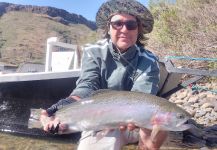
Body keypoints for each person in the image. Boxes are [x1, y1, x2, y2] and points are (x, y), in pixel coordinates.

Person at [40, 0, 168, 149]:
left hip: (137, 122)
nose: (124, 29)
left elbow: (141, 97)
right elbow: (87, 85)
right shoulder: (93, 51)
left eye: (131, 25)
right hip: (100, 119)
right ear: (108, 27)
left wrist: (132, 118)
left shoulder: (149, 61)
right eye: (117, 23)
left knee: (162, 124)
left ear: (138, 30)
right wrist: (62, 106)